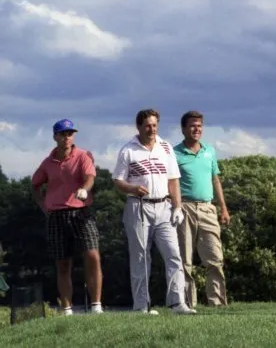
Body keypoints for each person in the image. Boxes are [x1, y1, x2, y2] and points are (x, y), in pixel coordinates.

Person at [112, 108, 196, 315]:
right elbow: (117, 181)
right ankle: (142, 306)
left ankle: (177, 303)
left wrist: (177, 207)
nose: (152, 129)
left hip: (164, 207)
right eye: (148, 125)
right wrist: (132, 188)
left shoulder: (165, 147)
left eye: (155, 125)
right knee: (141, 257)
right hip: (138, 206)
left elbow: (173, 179)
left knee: (174, 255)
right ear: (139, 126)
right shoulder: (128, 150)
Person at [31, 119, 104, 315]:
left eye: (70, 133)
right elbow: (35, 184)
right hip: (56, 214)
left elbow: (89, 177)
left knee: (92, 255)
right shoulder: (48, 162)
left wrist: (84, 190)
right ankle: (67, 308)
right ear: (55, 137)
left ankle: (96, 305)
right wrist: (42, 205)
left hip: (80, 211)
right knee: (62, 262)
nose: (67, 137)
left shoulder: (82, 156)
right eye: (63, 134)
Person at [174, 110, 230, 309]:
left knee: (214, 258)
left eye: (199, 126)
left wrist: (223, 208)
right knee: (184, 259)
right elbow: (172, 183)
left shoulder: (209, 151)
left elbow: (215, 179)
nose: (196, 129)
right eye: (192, 126)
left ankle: (217, 303)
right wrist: (176, 207)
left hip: (207, 208)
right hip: (185, 207)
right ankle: (188, 304)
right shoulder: (174, 153)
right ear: (183, 129)